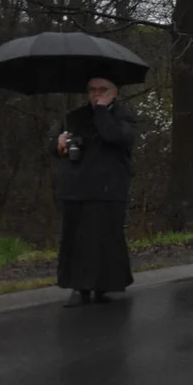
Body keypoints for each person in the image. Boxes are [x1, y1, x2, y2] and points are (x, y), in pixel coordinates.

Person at [55, 75, 138, 307]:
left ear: (115, 92)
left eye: (103, 89)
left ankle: (104, 286)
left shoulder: (124, 117)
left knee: (104, 240)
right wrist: (58, 143)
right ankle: (78, 287)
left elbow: (114, 137)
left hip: (108, 188)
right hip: (76, 187)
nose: (97, 94)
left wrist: (102, 112)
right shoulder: (75, 117)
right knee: (76, 241)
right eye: (92, 89)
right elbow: (54, 146)